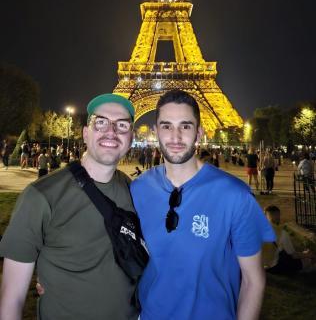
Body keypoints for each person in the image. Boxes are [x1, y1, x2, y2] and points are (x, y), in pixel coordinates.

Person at [130, 90, 275, 320]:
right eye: (166, 126)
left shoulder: (236, 195)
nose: (175, 136)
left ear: (198, 133)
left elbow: (253, 280)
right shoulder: (138, 189)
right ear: (156, 131)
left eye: (185, 126)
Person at [0, 93, 139, 320]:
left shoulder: (132, 189)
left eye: (122, 125)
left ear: (131, 137)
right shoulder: (41, 195)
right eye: (100, 122)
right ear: (85, 133)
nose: (111, 131)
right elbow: (11, 299)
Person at [263, 205, 315, 274]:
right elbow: (293, 255)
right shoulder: (281, 231)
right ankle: (303, 269)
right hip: (274, 266)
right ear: (278, 216)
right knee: (308, 260)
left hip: (262, 266)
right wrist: (309, 255)